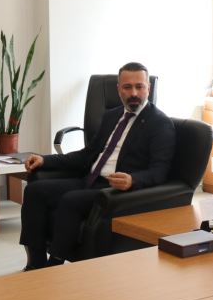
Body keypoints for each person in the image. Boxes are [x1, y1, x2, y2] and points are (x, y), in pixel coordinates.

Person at [20, 62, 175, 270]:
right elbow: (87, 155)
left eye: (139, 86)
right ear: (118, 89)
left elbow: (160, 171)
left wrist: (133, 180)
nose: (134, 93)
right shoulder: (112, 116)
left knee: (70, 200)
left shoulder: (160, 123)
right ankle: (35, 263)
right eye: (127, 87)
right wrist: (45, 160)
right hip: (90, 180)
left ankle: (54, 265)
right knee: (34, 191)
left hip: (116, 191)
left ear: (149, 87)